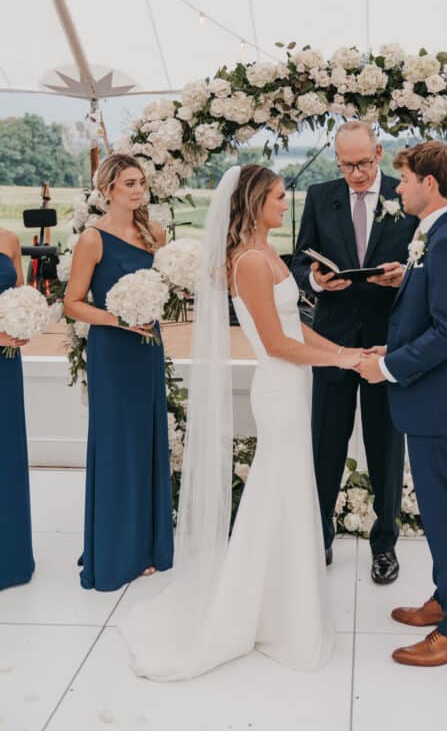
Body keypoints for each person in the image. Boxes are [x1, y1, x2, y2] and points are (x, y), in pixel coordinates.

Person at [120, 165, 363, 679]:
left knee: (288, 492)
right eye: (277, 197)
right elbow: (276, 344)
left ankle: (280, 601)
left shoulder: (269, 253)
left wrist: (349, 352)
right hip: (277, 386)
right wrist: (345, 361)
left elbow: (299, 329)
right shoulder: (251, 262)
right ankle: (260, 610)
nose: (284, 204)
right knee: (276, 491)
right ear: (254, 202)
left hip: (294, 381)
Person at [357, 141, 447, 666]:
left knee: (443, 513)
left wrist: (387, 368)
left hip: (438, 400)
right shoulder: (432, 236)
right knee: (438, 509)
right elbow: (428, 313)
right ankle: (445, 599)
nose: (399, 188)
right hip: (430, 395)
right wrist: (388, 348)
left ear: (429, 185)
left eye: (406, 179)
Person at [292, 121, 418, 584]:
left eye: (364, 163)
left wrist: (404, 275)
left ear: (380, 153)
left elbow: (422, 259)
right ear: (336, 161)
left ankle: (385, 545)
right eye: (347, 165)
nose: (357, 174)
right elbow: (300, 257)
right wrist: (315, 279)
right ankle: (319, 537)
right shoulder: (319, 195)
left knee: (386, 450)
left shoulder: (405, 194)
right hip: (332, 342)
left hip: (389, 342)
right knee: (325, 446)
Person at [64, 154, 174, 591]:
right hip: (112, 349)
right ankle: (114, 548)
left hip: (147, 349)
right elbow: (72, 303)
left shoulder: (155, 234)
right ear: (107, 190)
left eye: (141, 182)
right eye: (128, 183)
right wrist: (118, 319)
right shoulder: (93, 239)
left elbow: (163, 289)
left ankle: (146, 546)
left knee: (146, 442)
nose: (137, 190)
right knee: (116, 447)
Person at [0, 228, 35, 590]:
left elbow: (20, 297)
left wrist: (23, 325)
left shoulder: (8, 240)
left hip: (5, 361)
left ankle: (10, 558)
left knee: (6, 452)